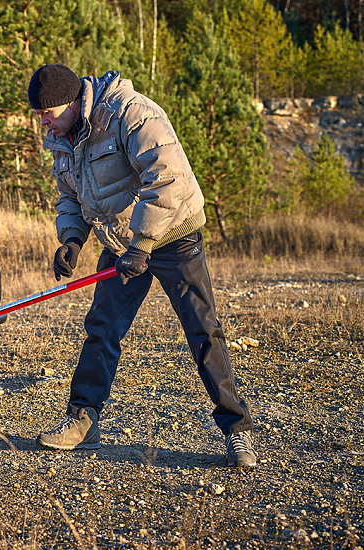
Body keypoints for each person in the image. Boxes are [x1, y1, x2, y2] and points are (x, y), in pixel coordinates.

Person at [28, 64, 257, 467]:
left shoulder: (131, 112)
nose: (44, 121)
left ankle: (237, 432)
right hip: (121, 242)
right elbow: (69, 195)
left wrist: (144, 243)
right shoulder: (62, 136)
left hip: (172, 234)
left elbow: (168, 177)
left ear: (74, 100)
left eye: (49, 112)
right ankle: (83, 421)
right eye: (40, 114)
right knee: (101, 329)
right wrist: (72, 238)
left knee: (202, 329)